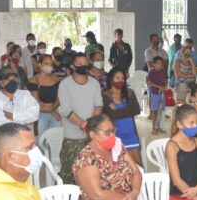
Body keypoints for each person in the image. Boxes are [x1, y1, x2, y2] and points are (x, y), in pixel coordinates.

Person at [58, 53, 104, 184]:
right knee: (70, 171)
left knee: (92, 170)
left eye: (86, 63)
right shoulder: (65, 84)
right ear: (72, 66)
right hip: (72, 137)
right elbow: (65, 109)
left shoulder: (94, 83)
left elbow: (98, 105)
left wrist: (90, 125)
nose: (84, 66)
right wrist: (82, 124)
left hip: (91, 135)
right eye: (80, 64)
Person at [102, 69, 142, 166]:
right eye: (117, 78)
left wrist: (117, 111)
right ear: (111, 80)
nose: (121, 81)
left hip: (131, 134)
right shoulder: (105, 94)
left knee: (138, 165)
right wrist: (129, 108)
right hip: (115, 136)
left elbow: (137, 110)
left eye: (123, 78)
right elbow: (112, 115)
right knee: (119, 167)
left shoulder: (129, 92)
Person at [0, 67, 40, 134]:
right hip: (4, 138)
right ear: (1, 83)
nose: (12, 81)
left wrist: (13, 116)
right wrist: (24, 120)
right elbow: (0, 123)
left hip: (24, 138)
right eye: (8, 79)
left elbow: (34, 114)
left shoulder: (25, 94)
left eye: (13, 79)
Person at [27, 55, 62, 136]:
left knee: (56, 141)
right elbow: (38, 105)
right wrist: (52, 111)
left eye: (51, 64)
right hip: (40, 115)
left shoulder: (56, 79)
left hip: (55, 112)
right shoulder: (34, 80)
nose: (49, 66)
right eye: (46, 63)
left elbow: (59, 99)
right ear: (39, 65)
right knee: (41, 142)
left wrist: (53, 109)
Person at [147, 56, 169, 135]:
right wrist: (159, 87)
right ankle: (153, 128)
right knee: (155, 111)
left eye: (161, 63)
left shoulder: (164, 71)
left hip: (162, 94)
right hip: (155, 94)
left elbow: (166, 80)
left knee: (161, 111)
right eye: (158, 63)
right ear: (154, 64)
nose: (160, 65)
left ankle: (159, 128)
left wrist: (164, 87)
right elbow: (149, 83)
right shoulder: (152, 72)